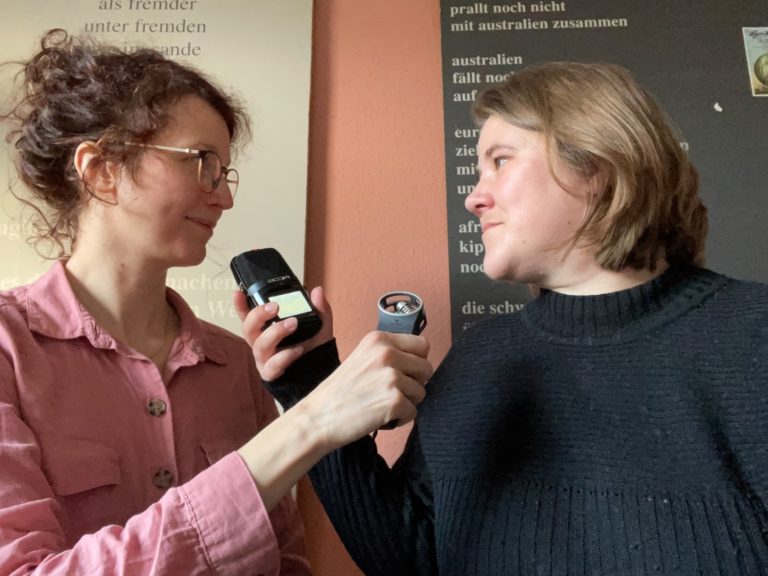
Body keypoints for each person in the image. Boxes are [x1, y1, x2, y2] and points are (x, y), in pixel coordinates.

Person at [245, 62, 768, 575]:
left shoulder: (753, 335)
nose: (474, 198)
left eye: (500, 160)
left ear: (599, 165)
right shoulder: (479, 357)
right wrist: (309, 381)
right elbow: (410, 555)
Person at [0, 30, 432, 575]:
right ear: (100, 170)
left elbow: (284, 560)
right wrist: (310, 421)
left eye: (223, 171)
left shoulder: (232, 364)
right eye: (199, 161)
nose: (223, 196)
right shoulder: (9, 350)